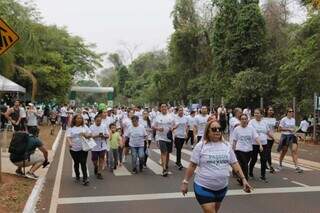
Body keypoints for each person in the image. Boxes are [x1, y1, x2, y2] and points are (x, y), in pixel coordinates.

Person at [181, 121, 252, 213]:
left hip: (222, 187)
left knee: (214, 210)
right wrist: (185, 182)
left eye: (219, 129)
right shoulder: (201, 146)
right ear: (208, 131)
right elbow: (192, 165)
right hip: (203, 187)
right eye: (214, 129)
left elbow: (234, 163)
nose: (217, 131)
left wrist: (243, 179)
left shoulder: (226, 145)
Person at [233, 114, 262, 184]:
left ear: (247, 120)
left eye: (245, 119)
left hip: (249, 150)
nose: (244, 120)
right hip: (239, 150)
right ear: (240, 120)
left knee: (244, 165)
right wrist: (233, 149)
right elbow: (234, 140)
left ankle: (241, 179)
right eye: (242, 119)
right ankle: (245, 180)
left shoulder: (251, 128)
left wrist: (260, 145)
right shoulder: (237, 129)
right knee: (245, 165)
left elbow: (256, 137)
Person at [66, 114, 92, 185]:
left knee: (83, 163)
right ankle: (77, 175)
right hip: (73, 149)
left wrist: (85, 135)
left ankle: (85, 178)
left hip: (83, 148)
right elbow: (68, 137)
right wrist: (70, 143)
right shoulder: (71, 128)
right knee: (76, 163)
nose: (80, 120)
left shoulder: (85, 127)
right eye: (78, 118)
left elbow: (90, 135)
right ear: (75, 119)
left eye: (81, 118)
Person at [248, 108, 271, 182]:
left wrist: (274, 138)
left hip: (264, 144)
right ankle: (250, 172)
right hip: (254, 144)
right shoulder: (251, 122)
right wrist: (259, 144)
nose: (256, 114)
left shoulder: (265, 122)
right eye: (255, 113)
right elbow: (252, 134)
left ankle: (263, 175)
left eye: (257, 113)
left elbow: (267, 132)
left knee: (264, 159)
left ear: (261, 114)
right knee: (254, 159)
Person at [278, 108, 303, 173]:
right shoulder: (283, 119)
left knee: (294, 150)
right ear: (287, 112)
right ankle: (280, 163)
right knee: (284, 151)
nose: (291, 112)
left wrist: (296, 135)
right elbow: (279, 129)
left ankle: (297, 166)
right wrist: (288, 129)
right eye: (289, 111)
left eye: (292, 111)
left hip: (292, 136)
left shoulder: (293, 120)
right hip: (285, 136)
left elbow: (294, 129)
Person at [153, 103, 175, 176]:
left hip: (169, 137)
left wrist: (173, 128)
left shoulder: (171, 116)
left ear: (167, 108)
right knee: (163, 152)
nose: (163, 108)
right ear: (160, 108)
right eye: (162, 107)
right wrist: (158, 128)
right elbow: (153, 126)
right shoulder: (157, 117)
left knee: (168, 153)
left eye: (165, 107)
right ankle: (164, 168)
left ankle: (166, 165)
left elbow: (176, 124)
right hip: (160, 137)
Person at [263, 106, 277, 173]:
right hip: (265, 137)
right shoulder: (263, 119)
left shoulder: (274, 119)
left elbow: (275, 128)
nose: (271, 111)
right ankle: (271, 166)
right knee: (268, 152)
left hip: (272, 137)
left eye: (272, 110)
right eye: (270, 110)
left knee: (267, 152)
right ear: (266, 111)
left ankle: (264, 163)